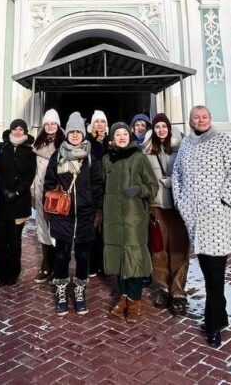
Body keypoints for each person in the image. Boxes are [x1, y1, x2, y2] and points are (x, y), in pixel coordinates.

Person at [173, 106, 231, 347]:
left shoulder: (223, 141)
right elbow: (177, 175)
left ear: (210, 119)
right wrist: (181, 202)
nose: (200, 120)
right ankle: (220, 314)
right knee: (207, 270)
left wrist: (224, 200)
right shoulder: (186, 144)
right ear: (190, 120)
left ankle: (213, 323)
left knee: (216, 273)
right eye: (196, 117)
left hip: (217, 218)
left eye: (204, 116)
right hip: (195, 218)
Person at [43, 112, 104, 316]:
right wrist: (49, 206)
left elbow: (97, 185)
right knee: (61, 256)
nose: (75, 135)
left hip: (85, 215)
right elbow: (49, 183)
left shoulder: (90, 158)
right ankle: (61, 291)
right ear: (67, 133)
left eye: (78, 131)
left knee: (83, 256)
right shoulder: (57, 156)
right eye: (72, 132)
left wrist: (97, 209)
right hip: (63, 214)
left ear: (83, 134)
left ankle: (79, 292)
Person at [103, 122, 159, 323]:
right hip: (112, 218)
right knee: (119, 258)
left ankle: (135, 301)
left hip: (133, 218)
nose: (121, 137)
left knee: (133, 258)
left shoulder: (139, 158)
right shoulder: (106, 160)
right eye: (117, 134)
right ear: (112, 138)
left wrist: (140, 190)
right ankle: (124, 298)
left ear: (130, 136)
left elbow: (152, 186)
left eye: (124, 134)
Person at [142, 113, 189, 316]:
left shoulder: (182, 148)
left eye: (164, 126)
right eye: (157, 127)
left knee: (179, 249)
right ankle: (162, 287)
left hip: (178, 207)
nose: (161, 130)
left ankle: (178, 292)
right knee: (158, 248)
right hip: (156, 205)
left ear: (169, 128)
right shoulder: (146, 151)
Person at [0, 118, 37, 286]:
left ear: (25, 131)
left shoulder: (29, 151)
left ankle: (13, 273)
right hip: (2, 202)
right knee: (2, 238)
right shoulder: (1, 148)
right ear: (10, 130)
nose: (18, 132)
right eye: (15, 129)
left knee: (15, 239)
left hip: (19, 202)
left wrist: (17, 191)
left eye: (21, 129)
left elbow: (30, 175)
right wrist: (4, 190)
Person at [31, 109, 65, 283]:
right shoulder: (38, 144)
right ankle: (47, 264)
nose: (50, 126)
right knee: (43, 227)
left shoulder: (64, 144)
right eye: (47, 124)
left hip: (58, 192)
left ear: (58, 125)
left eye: (53, 123)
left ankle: (59, 265)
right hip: (40, 191)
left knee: (58, 227)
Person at [85, 109, 109, 277]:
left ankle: (105, 264)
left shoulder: (110, 141)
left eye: (102, 121)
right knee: (93, 227)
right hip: (93, 188)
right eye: (97, 122)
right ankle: (92, 264)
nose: (99, 124)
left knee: (106, 229)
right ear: (92, 124)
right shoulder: (87, 142)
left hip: (108, 189)